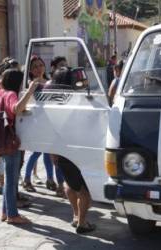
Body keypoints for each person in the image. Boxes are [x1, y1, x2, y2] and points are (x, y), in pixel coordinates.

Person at [0, 68, 38, 224]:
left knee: (9, 178)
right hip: (10, 142)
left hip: (0, 140)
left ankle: (5, 211)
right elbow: (16, 109)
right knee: (11, 180)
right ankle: (12, 215)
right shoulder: (10, 94)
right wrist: (30, 91)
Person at [50, 67, 95, 234]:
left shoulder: (52, 100)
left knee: (70, 184)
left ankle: (76, 216)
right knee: (85, 191)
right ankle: (82, 223)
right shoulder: (75, 99)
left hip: (61, 151)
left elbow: (50, 128)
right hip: (78, 150)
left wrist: (52, 151)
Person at [23, 56, 60, 193]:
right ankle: (27, 178)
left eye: (40, 65)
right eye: (35, 67)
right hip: (38, 122)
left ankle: (50, 179)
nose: (38, 69)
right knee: (37, 151)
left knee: (49, 152)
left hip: (51, 121)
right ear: (30, 71)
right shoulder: (32, 84)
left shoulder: (50, 81)